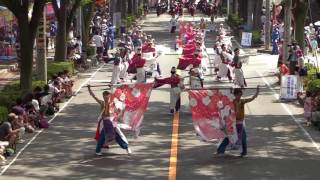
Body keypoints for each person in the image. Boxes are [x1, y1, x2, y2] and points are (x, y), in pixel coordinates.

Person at [87, 85, 132, 156]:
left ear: (109, 96)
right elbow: (93, 96)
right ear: (103, 97)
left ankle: (126, 147)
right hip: (105, 123)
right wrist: (89, 89)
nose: (106, 98)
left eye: (107, 97)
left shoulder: (113, 103)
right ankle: (97, 150)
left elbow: (117, 111)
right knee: (102, 137)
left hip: (112, 123)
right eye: (105, 97)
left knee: (118, 135)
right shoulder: (102, 103)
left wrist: (119, 111)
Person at [217, 86, 260, 157]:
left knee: (242, 137)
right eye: (238, 95)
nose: (239, 96)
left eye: (240, 95)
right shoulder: (232, 102)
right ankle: (221, 150)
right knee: (230, 137)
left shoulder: (242, 101)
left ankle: (243, 152)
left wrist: (257, 91)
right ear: (235, 95)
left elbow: (252, 98)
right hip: (233, 122)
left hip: (240, 122)